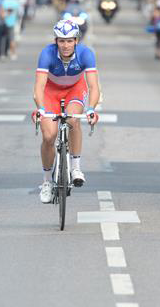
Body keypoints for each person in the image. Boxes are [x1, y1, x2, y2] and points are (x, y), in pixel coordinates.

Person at [34, 19, 100, 204]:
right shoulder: (46, 54)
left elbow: (94, 86)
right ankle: (47, 182)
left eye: (70, 40)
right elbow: (39, 86)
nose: (65, 45)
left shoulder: (86, 54)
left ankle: (76, 168)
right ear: (56, 41)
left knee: (72, 120)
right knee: (49, 136)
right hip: (50, 92)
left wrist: (91, 109)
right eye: (61, 41)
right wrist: (40, 108)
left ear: (76, 41)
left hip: (75, 90)